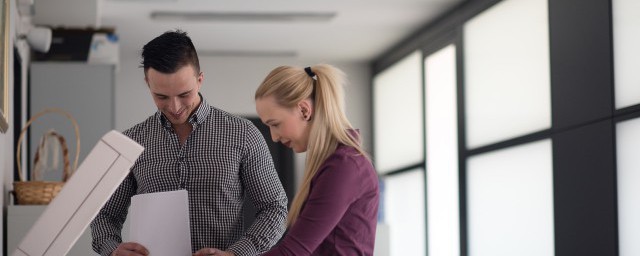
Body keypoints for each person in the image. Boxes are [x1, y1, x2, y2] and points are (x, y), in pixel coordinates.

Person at [90, 30, 288, 256]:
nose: (175, 107)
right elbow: (104, 215)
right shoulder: (132, 142)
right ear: (148, 83)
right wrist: (114, 250)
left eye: (184, 94)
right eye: (162, 97)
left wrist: (236, 254)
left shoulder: (243, 135)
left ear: (200, 80)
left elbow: (275, 208)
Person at [252, 64, 379, 255]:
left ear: (304, 110)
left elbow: (294, 252)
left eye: (275, 124)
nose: (274, 137)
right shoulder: (333, 163)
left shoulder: (345, 166)